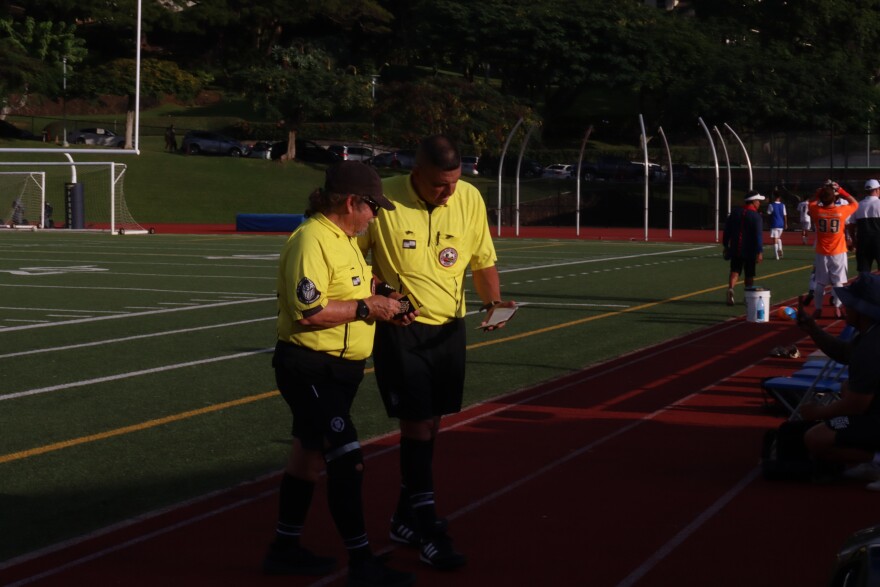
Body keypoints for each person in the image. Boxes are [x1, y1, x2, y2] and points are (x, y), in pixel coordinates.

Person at [359, 134, 515, 571]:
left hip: (450, 329)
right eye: (438, 185)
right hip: (401, 329)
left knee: (433, 424)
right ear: (415, 174)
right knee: (417, 426)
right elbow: (356, 263)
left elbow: (482, 259)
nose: (448, 193)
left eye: (454, 182)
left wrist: (495, 303)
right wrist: (389, 297)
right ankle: (429, 530)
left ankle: (405, 519)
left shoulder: (469, 198)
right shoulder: (382, 198)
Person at [265, 161, 417, 587]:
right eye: (372, 206)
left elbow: (354, 284)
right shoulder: (313, 239)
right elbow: (310, 311)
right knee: (346, 459)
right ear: (351, 202)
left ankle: (284, 548)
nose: (376, 214)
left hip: (338, 370)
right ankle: (362, 563)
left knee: (308, 456)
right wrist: (371, 308)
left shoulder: (344, 238)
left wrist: (387, 297)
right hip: (310, 367)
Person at [796, 272, 880, 489]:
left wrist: (817, 413)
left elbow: (856, 405)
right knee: (845, 388)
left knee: (815, 438)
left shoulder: (871, 346)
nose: (845, 306)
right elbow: (844, 353)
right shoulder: (870, 334)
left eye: (849, 303)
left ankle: (876, 461)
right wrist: (813, 329)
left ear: (861, 310)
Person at [807, 180, 858, 318]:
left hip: (822, 252)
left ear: (821, 199)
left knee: (820, 282)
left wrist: (820, 191)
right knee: (838, 282)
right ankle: (836, 307)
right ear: (835, 198)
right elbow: (854, 203)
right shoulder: (841, 211)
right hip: (838, 251)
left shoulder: (816, 211)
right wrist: (840, 190)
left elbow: (810, 202)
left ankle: (818, 309)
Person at [722, 189, 765, 306]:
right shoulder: (756, 216)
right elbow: (758, 235)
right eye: (758, 201)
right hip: (750, 250)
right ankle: (748, 296)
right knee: (749, 274)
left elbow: (727, 231)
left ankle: (731, 289)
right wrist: (759, 251)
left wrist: (726, 245)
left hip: (736, 248)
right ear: (753, 201)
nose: (759, 203)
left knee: (735, 271)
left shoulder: (735, 212)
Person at [851, 178, 880, 272]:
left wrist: (854, 240)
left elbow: (851, 225)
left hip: (863, 242)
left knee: (864, 272)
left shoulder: (858, 205)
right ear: (876, 190)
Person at [766, 188, 787, 259]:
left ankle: (777, 255)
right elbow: (785, 215)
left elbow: (768, 214)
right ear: (780, 197)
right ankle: (780, 249)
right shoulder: (783, 205)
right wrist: (786, 224)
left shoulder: (771, 205)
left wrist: (768, 223)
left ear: (774, 197)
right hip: (781, 224)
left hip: (774, 223)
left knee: (774, 240)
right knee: (778, 238)